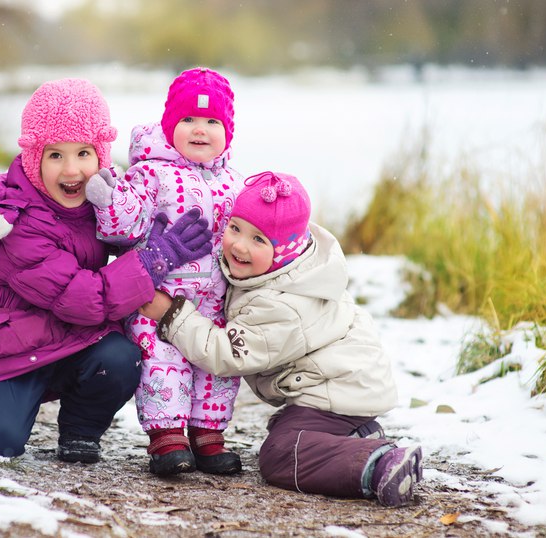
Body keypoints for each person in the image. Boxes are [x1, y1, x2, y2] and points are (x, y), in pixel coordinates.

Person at [0, 78, 213, 464]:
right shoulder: (20, 221)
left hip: (73, 341)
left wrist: (156, 229)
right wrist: (153, 260)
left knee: (120, 358)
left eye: (84, 153)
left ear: (102, 155)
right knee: (1, 438)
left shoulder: (102, 199)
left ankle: (79, 432)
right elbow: (85, 300)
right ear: (33, 158)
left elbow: (127, 235)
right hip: (15, 345)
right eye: (55, 155)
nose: (72, 169)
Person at [139, 170, 423, 506]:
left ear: (285, 248)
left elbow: (227, 354)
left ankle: (377, 463)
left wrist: (172, 313)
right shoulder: (287, 268)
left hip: (335, 391)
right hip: (343, 385)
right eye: (235, 229)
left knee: (281, 453)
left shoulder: (282, 304)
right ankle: (353, 435)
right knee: (287, 429)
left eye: (259, 240)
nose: (240, 246)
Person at [83, 67, 244, 476]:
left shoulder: (236, 182)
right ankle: (167, 437)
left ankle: (208, 433)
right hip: (162, 298)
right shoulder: (153, 173)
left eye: (212, 122)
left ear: (227, 131)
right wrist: (110, 201)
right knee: (163, 363)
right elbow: (128, 222)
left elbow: (249, 234)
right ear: (170, 126)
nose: (200, 130)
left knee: (214, 368)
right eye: (188, 120)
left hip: (215, 303)